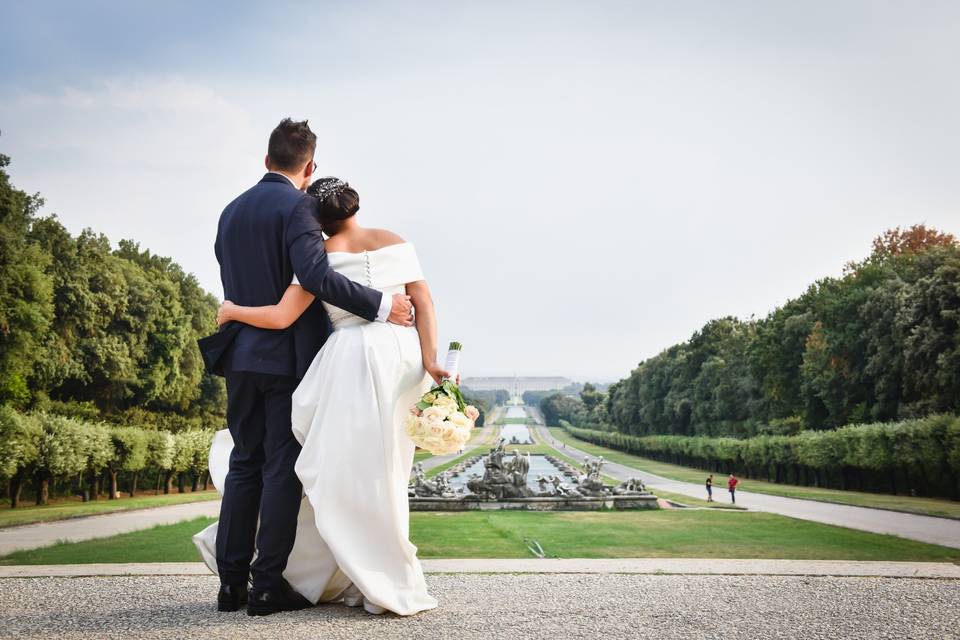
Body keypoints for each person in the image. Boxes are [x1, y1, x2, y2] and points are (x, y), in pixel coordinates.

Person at [193, 119, 429, 617]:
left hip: (240, 355)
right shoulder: (299, 208)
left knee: (243, 463)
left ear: (265, 161)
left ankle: (230, 584)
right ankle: (264, 586)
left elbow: (234, 274)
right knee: (282, 469)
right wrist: (385, 307)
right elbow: (317, 275)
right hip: (284, 357)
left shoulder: (230, 211)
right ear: (310, 166)